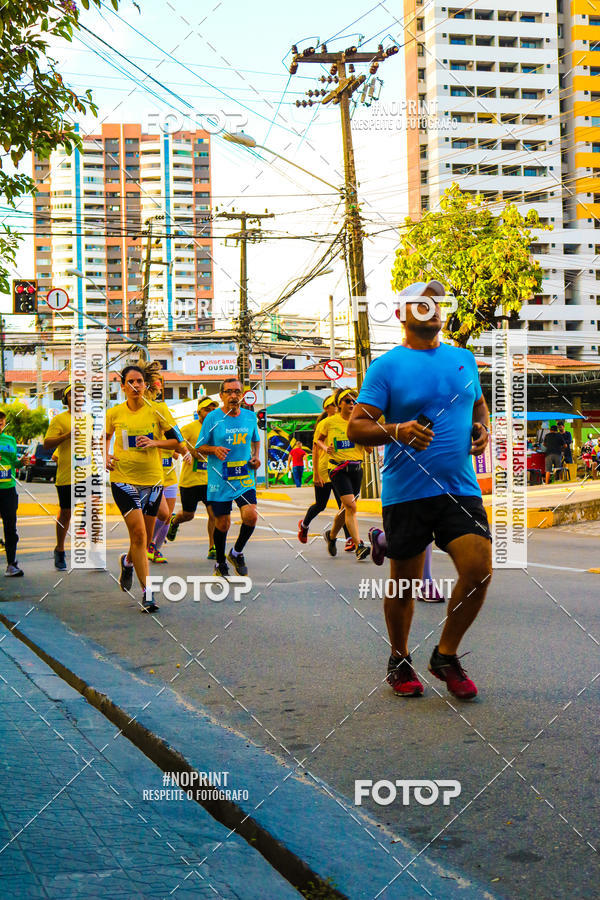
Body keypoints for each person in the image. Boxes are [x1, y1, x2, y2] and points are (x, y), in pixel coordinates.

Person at [348, 279, 492, 700]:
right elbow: (357, 425)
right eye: (421, 303)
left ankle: (445, 656)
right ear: (402, 315)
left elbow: (477, 404)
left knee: (479, 569)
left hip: (459, 489)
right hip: (407, 492)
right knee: (404, 586)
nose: (431, 307)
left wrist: (482, 428)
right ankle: (399, 658)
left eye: (436, 301)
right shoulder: (387, 367)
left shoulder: (463, 359)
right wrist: (396, 430)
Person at [105, 364, 181, 613]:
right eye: (131, 381)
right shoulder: (114, 413)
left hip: (152, 480)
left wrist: (155, 442)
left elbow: (177, 443)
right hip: (122, 479)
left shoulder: (158, 410)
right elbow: (105, 438)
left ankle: (127, 562)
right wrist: (104, 455)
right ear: (123, 385)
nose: (136, 385)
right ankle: (148, 594)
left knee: (143, 538)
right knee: (137, 534)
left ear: (145, 385)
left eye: (140, 381)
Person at [195, 377, 260, 578]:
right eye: (229, 392)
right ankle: (220, 562)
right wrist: (214, 449)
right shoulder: (213, 418)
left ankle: (237, 552)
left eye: (237, 392)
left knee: (251, 515)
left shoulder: (250, 417)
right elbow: (199, 448)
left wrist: (256, 457)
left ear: (242, 395)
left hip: (244, 477)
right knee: (222, 524)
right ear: (222, 395)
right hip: (219, 479)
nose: (233, 396)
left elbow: (256, 440)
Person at [315, 387, 371, 561]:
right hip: (338, 469)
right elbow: (318, 440)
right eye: (348, 401)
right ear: (339, 404)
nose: (352, 404)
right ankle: (359, 546)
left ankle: (331, 536)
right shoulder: (329, 422)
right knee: (351, 506)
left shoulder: (360, 422)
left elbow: (368, 448)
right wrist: (326, 448)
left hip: (356, 469)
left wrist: (365, 441)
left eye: (354, 401)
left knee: (345, 508)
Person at [298, 395, 352, 550]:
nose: (336, 407)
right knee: (320, 505)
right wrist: (315, 474)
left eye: (337, 404)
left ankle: (349, 538)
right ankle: (304, 524)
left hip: (338, 469)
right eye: (333, 404)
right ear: (327, 408)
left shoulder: (344, 422)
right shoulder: (323, 424)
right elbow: (315, 450)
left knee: (344, 504)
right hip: (323, 469)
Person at [167, 396, 218, 555]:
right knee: (188, 514)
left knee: (214, 514)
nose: (210, 413)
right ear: (199, 412)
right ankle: (174, 521)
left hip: (210, 480)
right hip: (190, 481)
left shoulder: (217, 429)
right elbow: (177, 444)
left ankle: (213, 547)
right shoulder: (189, 428)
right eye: (206, 410)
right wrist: (186, 452)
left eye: (213, 410)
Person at [43, 386, 73, 570]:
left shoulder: (89, 419)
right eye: (72, 394)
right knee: (66, 513)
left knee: (93, 511)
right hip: (67, 475)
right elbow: (47, 444)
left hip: (88, 473)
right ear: (65, 399)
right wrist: (67, 436)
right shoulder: (59, 419)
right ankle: (60, 550)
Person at [0, 411, 26, 576]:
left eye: (1, 421)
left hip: (8, 489)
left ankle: (11, 564)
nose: (0, 424)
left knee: (10, 528)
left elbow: (14, 463)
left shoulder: (10, 440)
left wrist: (21, 462)